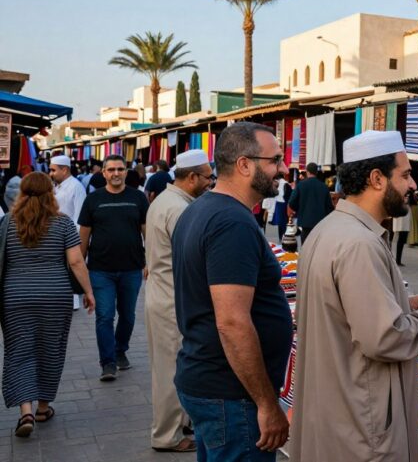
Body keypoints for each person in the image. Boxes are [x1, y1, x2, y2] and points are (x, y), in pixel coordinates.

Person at [291, 130, 418, 461]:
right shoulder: (360, 243)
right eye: (405, 175)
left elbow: (343, 311)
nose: (413, 186)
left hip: (334, 405)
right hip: (360, 420)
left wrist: (404, 304)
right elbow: (383, 338)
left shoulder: (330, 229)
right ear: (376, 179)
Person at [173, 122, 292, 460]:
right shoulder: (231, 222)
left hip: (213, 386)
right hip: (231, 396)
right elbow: (232, 322)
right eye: (275, 160)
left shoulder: (203, 210)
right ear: (244, 164)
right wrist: (267, 404)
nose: (282, 169)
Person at [2, 173, 95, 438]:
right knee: (50, 350)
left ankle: (26, 412)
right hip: (55, 296)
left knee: (19, 352)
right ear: (50, 194)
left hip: (15, 297)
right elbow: (77, 262)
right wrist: (88, 291)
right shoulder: (63, 223)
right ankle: (43, 407)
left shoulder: (7, 223)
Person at [144, 150, 213, 453]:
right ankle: (167, 435)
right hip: (172, 301)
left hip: (163, 295)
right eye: (208, 177)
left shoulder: (168, 201)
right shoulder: (179, 208)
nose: (211, 183)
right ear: (193, 177)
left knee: (170, 366)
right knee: (171, 370)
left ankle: (178, 423)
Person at [78, 154, 149, 382]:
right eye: (111, 170)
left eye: (120, 169)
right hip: (100, 270)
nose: (116, 173)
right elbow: (84, 238)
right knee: (104, 316)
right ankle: (107, 362)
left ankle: (120, 350)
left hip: (131, 268)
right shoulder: (93, 200)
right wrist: (80, 274)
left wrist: (150, 261)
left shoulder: (138, 198)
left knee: (128, 316)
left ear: (126, 172)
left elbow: (147, 232)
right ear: (104, 173)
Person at [287, 162, 334, 243]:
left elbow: (292, 202)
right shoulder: (324, 186)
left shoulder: (301, 185)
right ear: (316, 172)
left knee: (305, 247)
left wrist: (299, 210)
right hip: (320, 223)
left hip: (305, 222)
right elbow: (329, 206)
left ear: (307, 171)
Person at [49, 155, 87, 223]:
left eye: (53, 170)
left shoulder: (76, 187)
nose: (50, 174)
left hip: (69, 232)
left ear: (64, 170)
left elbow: (80, 217)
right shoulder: (55, 186)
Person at [392, 190, 412, 266]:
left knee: (402, 239)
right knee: (398, 239)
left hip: (405, 217)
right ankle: (396, 260)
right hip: (399, 216)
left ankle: (398, 260)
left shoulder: (410, 193)